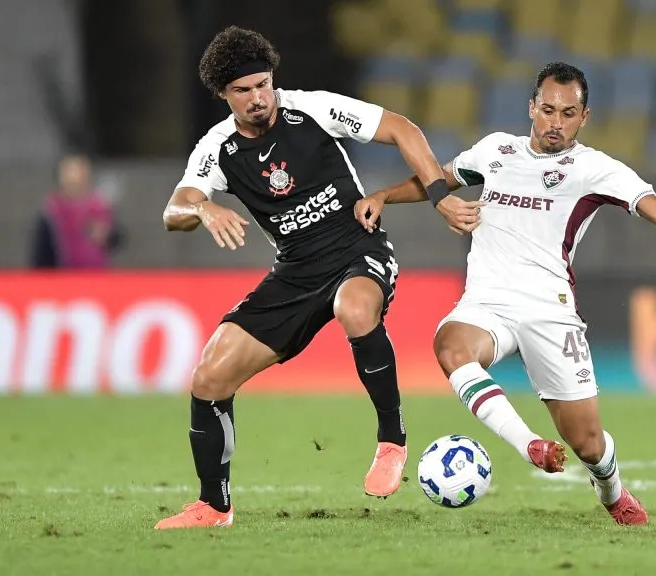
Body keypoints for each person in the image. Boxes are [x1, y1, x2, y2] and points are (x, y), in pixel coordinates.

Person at [356, 62, 656, 526]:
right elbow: (435, 182)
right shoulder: (495, 151)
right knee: (450, 345)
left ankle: (613, 490)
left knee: (588, 443)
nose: (555, 122)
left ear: (584, 118)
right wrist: (383, 195)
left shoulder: (594, 169)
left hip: (550, 311)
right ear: (532, 107)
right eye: (547, 110)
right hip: (488, 303)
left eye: (568, 113)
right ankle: (529, 445)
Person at [155, 26, 480, 529]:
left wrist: (439, 196)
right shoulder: (216, 148)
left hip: (358, 247)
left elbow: (402, 129)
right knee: (208, 378)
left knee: (354, 308)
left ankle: (391, 439)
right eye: (244, 90)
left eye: (263, 84)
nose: (258, 97)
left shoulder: (312, 108)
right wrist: (203, 207)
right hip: (295, 270)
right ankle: (213, 507)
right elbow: (173, 210)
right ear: (224, 95)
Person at [30, 154, 123, 269]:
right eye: (69, 170)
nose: (74, 176)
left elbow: (118, 238)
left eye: (79, 170)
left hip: (96, 278)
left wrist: (108, 235)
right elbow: (40, 255)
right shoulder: (51, 211)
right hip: (62, 279)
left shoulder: (100, 207)